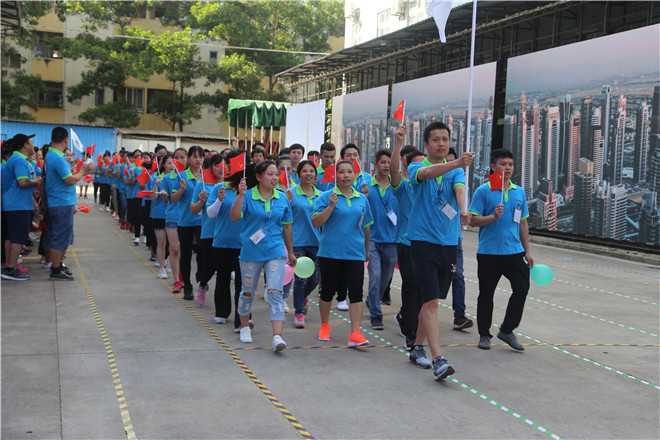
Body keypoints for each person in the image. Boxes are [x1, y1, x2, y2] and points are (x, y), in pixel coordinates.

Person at [407, 121, 473, 381]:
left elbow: (459, 190)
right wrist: (457, 163)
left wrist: (464, 210)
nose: (441, 143)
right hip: (422, 242)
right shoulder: (416, 167)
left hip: (448, 243)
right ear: (426, 144)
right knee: (431, 301)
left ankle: (417, 347)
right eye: (436, 139)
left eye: (445, 139)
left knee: (432, 301)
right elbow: (426, 174)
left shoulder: (456, 172)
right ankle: (438, 360)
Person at [469, 149, 533, 351]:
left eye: (510, 165)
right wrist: (492, 217)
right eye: (503, 164)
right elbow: (472, 220)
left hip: (514, 252)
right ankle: (484, 334)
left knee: (522, 288)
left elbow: (522, 222)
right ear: (493, 167)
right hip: (489, 253)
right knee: (486, 294)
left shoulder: (518, 192)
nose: (507, 168)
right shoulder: (484, 191)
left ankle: (507, 329)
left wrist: (527, 250)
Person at [230, 160, 296, 352]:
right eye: (270, 174)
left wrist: (290, 251)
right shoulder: (248, 196)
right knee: (248, 291)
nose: (274, 178)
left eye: (276, 174)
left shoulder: (282, 197)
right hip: (251, 251)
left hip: (275, 251)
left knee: (275, 292)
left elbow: (287, 226)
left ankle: (277, 336)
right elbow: (234, 216)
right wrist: (240, 195)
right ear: (259, 177)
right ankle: (244, 326)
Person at [312, 160, 373, 347]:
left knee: (356, 293)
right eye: (341, 172)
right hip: (330, 252)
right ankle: (324, 325)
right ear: (335, 175)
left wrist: (366, 250)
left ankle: (355, 332)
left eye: (349, 172)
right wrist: (330, 207)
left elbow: (366, 226)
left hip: (354, 253)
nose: (346, 176)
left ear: (354, 175)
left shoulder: (361, 199)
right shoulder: (326, 196)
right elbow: (316, 222)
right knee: (327, 292)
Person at [390, 127, 425, 348]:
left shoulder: (433, 188)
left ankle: (408, 317)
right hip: (407, 244)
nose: (422, 168)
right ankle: (411, 332)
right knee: (412, 287)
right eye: (417, 165)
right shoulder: (404, 187)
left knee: (425, 290)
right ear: (409, 168)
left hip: (430, 244)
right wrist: (398, 144)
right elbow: (393, 170)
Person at [45, 127, 93, 280]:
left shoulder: (54, 155)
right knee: (60, 237)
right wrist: (83, 171)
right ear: (65, 140)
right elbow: (69, 180)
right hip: (61, 202)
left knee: (64, 237)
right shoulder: (57, 158)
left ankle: (58, 265)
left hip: (61, 201)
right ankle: (55, 269)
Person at [207, 150, 246, 330]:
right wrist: (219, 201)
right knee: (222, 278)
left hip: (243, 243)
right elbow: (210, 214)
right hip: (222, 241)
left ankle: (241, 318)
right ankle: (221, 312)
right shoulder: (220, 188)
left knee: (242, 282)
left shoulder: (249, 190)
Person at [365, 149, 399, 330]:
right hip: (372, 240)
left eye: (389, 163)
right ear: (376, 164)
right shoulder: (367, 187)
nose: (386, 166)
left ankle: (372, 300)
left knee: (385, 279)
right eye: (383, 162)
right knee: (375, 276)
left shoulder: (397, 186)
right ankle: (376, 315)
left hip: (392, 240)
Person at [1, 134, 41, 281]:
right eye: (31, 143)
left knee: (11, 238)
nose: (33, 146)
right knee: (17, 239)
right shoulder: (19, 160)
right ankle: (10, 269)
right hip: (18, 205)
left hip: (14, 204)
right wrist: (37, 181)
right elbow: (22, 182)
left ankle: (8, 266)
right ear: (25, 145)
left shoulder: (18, 159)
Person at [289, 160, 321, 328]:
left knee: (315, 279)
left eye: (311, 171)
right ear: (299, 174)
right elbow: (284, 219)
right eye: (305, 171)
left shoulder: (322, 195)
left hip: (317, 242)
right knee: (301, 278)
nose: (308, 174)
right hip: (298, 242)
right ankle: (299, 312)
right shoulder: (291, 194)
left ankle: (302, 298)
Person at [445, 148, 474, 331]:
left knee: (458, 275)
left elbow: (460, 191)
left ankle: (459, 316)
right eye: (446, 163)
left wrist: (463, 211)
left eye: (453, 162)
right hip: (430, 240)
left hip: (454, 239)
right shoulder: (430, 177)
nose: (449, 166)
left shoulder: (458, 177)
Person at [191, 154, 225, 306]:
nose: (221, 168)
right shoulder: (203, 184)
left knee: (221, 267)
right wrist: (201, 200)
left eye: (224, 165)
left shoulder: (233, 185)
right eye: (217, 165)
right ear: (211, 167)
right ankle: (203, 284)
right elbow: (193, 209)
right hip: (209, 232)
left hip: (226, 233)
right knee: (209, 265)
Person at [175, 146, 204, 300]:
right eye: (194, 156)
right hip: (185, 221)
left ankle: (201, 276)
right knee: (185, 255)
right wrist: (181, 190)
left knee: (203, 252)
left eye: (200, 156)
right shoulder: (182, 176)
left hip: (202, 221)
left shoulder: (206, 176)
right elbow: (173, 199)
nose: (198, 160)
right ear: (189, 159)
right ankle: (187, 285)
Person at [162, 148, 188, 293]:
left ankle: (183, 276)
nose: (179, 160)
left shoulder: (193, 177)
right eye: (176, 158)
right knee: (175, 249)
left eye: (182, 157)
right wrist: (164, 195)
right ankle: (177, 280)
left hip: (188, 218)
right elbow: (168, 199)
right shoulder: (167, 178)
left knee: (184, 250)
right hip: (172, 216)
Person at [150, 153, 172, 279]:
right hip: (159, 213)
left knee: (172, 242)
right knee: (161, 242)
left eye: (173, 163)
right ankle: (162, 267)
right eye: (169, 163)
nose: (172, 165)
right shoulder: (157, 177)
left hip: (172, 214)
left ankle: (168, 261)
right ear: (163, 165)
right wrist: (156, 185)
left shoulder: (177, 178)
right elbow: (152, 197)